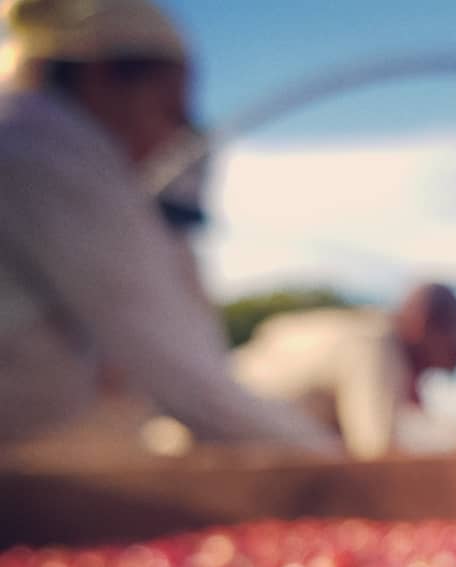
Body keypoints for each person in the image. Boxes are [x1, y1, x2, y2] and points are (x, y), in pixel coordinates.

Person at [0, 0, 341, 455]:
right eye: (170, 110)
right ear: (100, 78)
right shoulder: (52, 148)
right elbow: (186, 376)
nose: (174, 140)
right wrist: (334, 463)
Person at [231, 283, 456, 459]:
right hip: (225, 420)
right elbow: (374, 451)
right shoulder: (374, 345)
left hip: (237, 410)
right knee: (333, 461)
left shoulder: (371, 336)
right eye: (450, 341)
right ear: (424, 326)